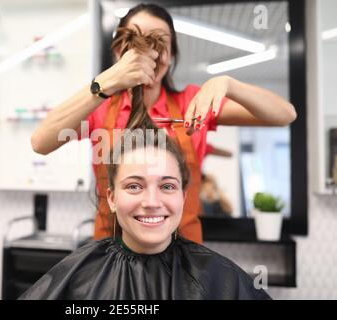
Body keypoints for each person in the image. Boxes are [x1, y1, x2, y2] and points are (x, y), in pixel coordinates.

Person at [30, 3, 297, 244]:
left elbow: (284, 114)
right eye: (135, 43)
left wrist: (228, 85)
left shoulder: (192, 103)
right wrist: (105, 84)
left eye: (159, 43)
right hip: (110, 258)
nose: (148, 52)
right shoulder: (99, 107)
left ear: (171, 56)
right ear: (118, 52)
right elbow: (40, 141)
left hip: (184, 261)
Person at [21, 129, 271, 299]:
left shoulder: (221, 278)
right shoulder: (79, 275)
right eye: (134, 186)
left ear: (183, 197)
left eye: (167, 186)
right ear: (111, 198)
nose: (151, 202)